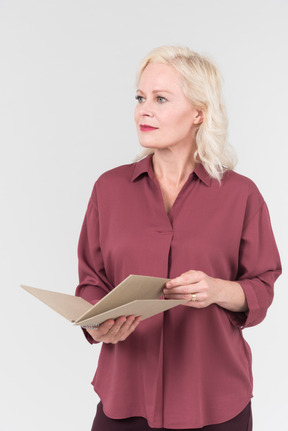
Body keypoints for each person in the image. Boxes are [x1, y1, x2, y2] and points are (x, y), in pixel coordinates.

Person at [75, 46, 281, 431]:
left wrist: (218, 289)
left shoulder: (241, 195)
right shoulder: (109, 189)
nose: (143, 110)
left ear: (199, 113)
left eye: (161, 99)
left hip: (214, 401)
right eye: (140, 98)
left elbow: (262, 286)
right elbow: (91, 281)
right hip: (125, 397)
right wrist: (94, 324)